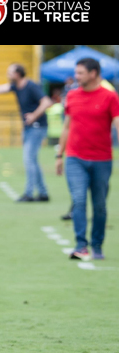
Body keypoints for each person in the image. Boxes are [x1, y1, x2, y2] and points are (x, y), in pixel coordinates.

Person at [56, 58, 119, 261]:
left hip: (102, 159)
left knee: (99, 205)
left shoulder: (110, 97)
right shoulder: (72, 96)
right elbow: (66, 126)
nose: (76, 76)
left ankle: (97, 245)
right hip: (75, 158)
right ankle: (81, 245)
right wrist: (59, 154)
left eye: (81, 73)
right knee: (79, 200)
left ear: (93, 73)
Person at [0, 64, 53, 202]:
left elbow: (46, 102)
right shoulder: (15, 86)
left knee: (28, 159)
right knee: (33, 160)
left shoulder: (31, 86)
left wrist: (33, 116)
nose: (7, 75)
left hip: (37, 127)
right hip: (28, 127)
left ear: (18, 74)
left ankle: (29, 193)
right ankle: (43, 193)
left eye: (10, 72)